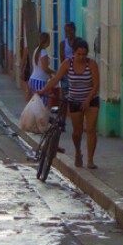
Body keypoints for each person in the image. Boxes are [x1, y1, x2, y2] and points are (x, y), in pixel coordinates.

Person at [38, 38, 100, 169]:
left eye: (84, 54)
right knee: (77, 132)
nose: (81, 57)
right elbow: (56, 79)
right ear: (73, 53)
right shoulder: (67, 64)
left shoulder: (92, 64)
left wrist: (88, 100)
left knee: (90, 129)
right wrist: (43, 90)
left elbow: (96, 85)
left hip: (91, 100)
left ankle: (90, 159)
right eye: (79, 54)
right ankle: (78, 152)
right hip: (74, 101)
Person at [28, 32, 54, 105]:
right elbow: (45, 68)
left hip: (33, 79)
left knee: (35, 105)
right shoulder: (43, 52)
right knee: (41, 105)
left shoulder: (36, 50)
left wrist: (50, 76)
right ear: (47, 40)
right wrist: (54, 72)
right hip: (40, 81)